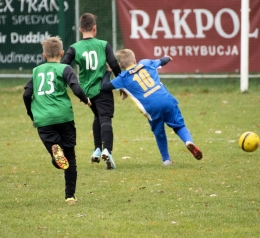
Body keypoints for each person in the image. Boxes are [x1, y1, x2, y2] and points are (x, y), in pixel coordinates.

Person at [101, 49, 203, 165]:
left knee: (159, 133)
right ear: (135, 60)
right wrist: (167, 58)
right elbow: (162, 61)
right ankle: (188, 141)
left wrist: (108, 72)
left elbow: (104, 86)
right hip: (166, 99)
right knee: (179, 126)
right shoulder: (145, 63)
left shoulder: (122, 78)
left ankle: (166, 160)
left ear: (121, 65)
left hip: (151, 107)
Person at [23, 36, 91, 204]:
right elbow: (75, 88)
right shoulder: (65, 69)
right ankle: (70, 196)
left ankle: (55, 153)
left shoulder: (37, 71)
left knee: (59, 155)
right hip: (63, 116)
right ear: (62, 53)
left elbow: (26, 94)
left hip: (43, 119)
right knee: (70, 157)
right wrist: (86, 100)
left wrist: (32, 114)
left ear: (44, 55)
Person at [62, 13, 126, 170]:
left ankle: (97, 149)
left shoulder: (74, 48)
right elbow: (113, 64)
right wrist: (121, 85)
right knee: (105, 118)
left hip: (87, 92)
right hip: (102, 88)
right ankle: (107, 151)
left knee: (98, 116)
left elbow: (63, 66)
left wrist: (74, 85)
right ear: (95, 28)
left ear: (80, 29)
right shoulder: (103, 44)